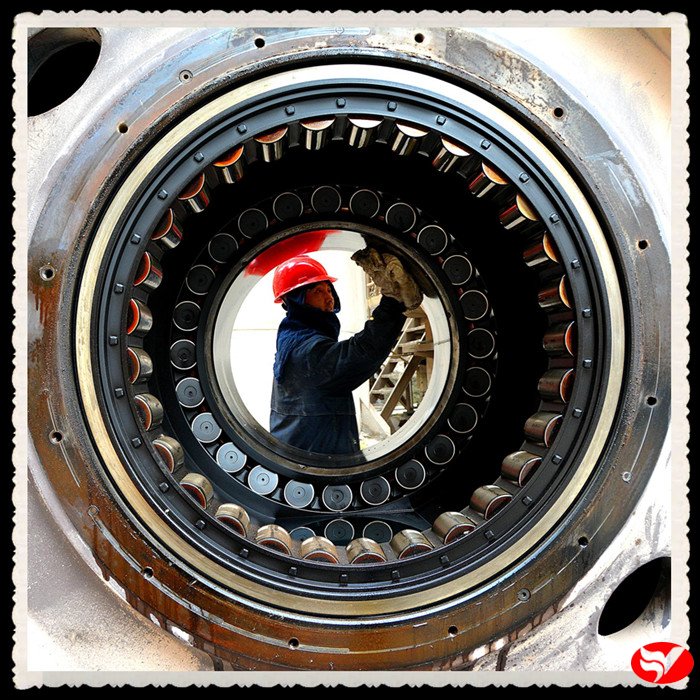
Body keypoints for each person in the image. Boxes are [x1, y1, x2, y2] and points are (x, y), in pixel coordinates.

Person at [269, 253, 419, 455]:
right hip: (317, 464)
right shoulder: (306, 352)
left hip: (304, 455)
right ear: (297, 301)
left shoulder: (293, 338)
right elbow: (363, 351)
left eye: (328, 289)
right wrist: (392, 302)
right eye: (318, 291)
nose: (329, 297)